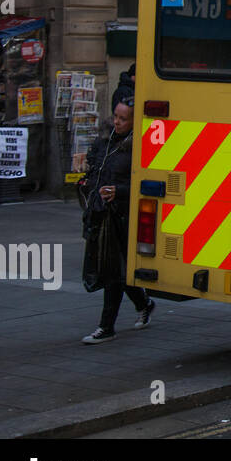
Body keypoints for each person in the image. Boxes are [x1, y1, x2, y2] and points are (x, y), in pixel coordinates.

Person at [79, 98, 154, 343]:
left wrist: (118, 191)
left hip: (126, 215)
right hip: (105, 214)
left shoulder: (139, 146)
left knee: (115, 271)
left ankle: (106, 327)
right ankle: (144, 304)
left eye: (123, 119)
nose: (117, 122)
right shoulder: (107, 141)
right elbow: (98, 171)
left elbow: (145, 181)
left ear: (135, 121)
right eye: (116, 116)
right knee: (121, 270)